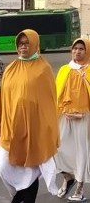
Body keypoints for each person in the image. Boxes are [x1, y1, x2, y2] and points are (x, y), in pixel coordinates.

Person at [0, 29, 59, 203]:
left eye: (27, 43)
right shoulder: (11, 68)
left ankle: (25, 199)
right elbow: (1, 99)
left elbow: (49, 103)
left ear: (35, 44)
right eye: (20, 43)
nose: (23, 47)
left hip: (34, 130)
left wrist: (47, 130)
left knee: (30, 169)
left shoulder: (43, 69)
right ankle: (18, 195)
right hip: (11, 128)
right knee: (3, 166)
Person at [54, 38, 90, 202]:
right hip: (64, 116)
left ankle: (80, 188)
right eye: (75, 48)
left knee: (82, 152)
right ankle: (68, 178)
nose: (77, 52)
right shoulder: (64, 69)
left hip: (85, 118)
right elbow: (57, 92)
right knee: (55, 150)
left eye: (81, 49)